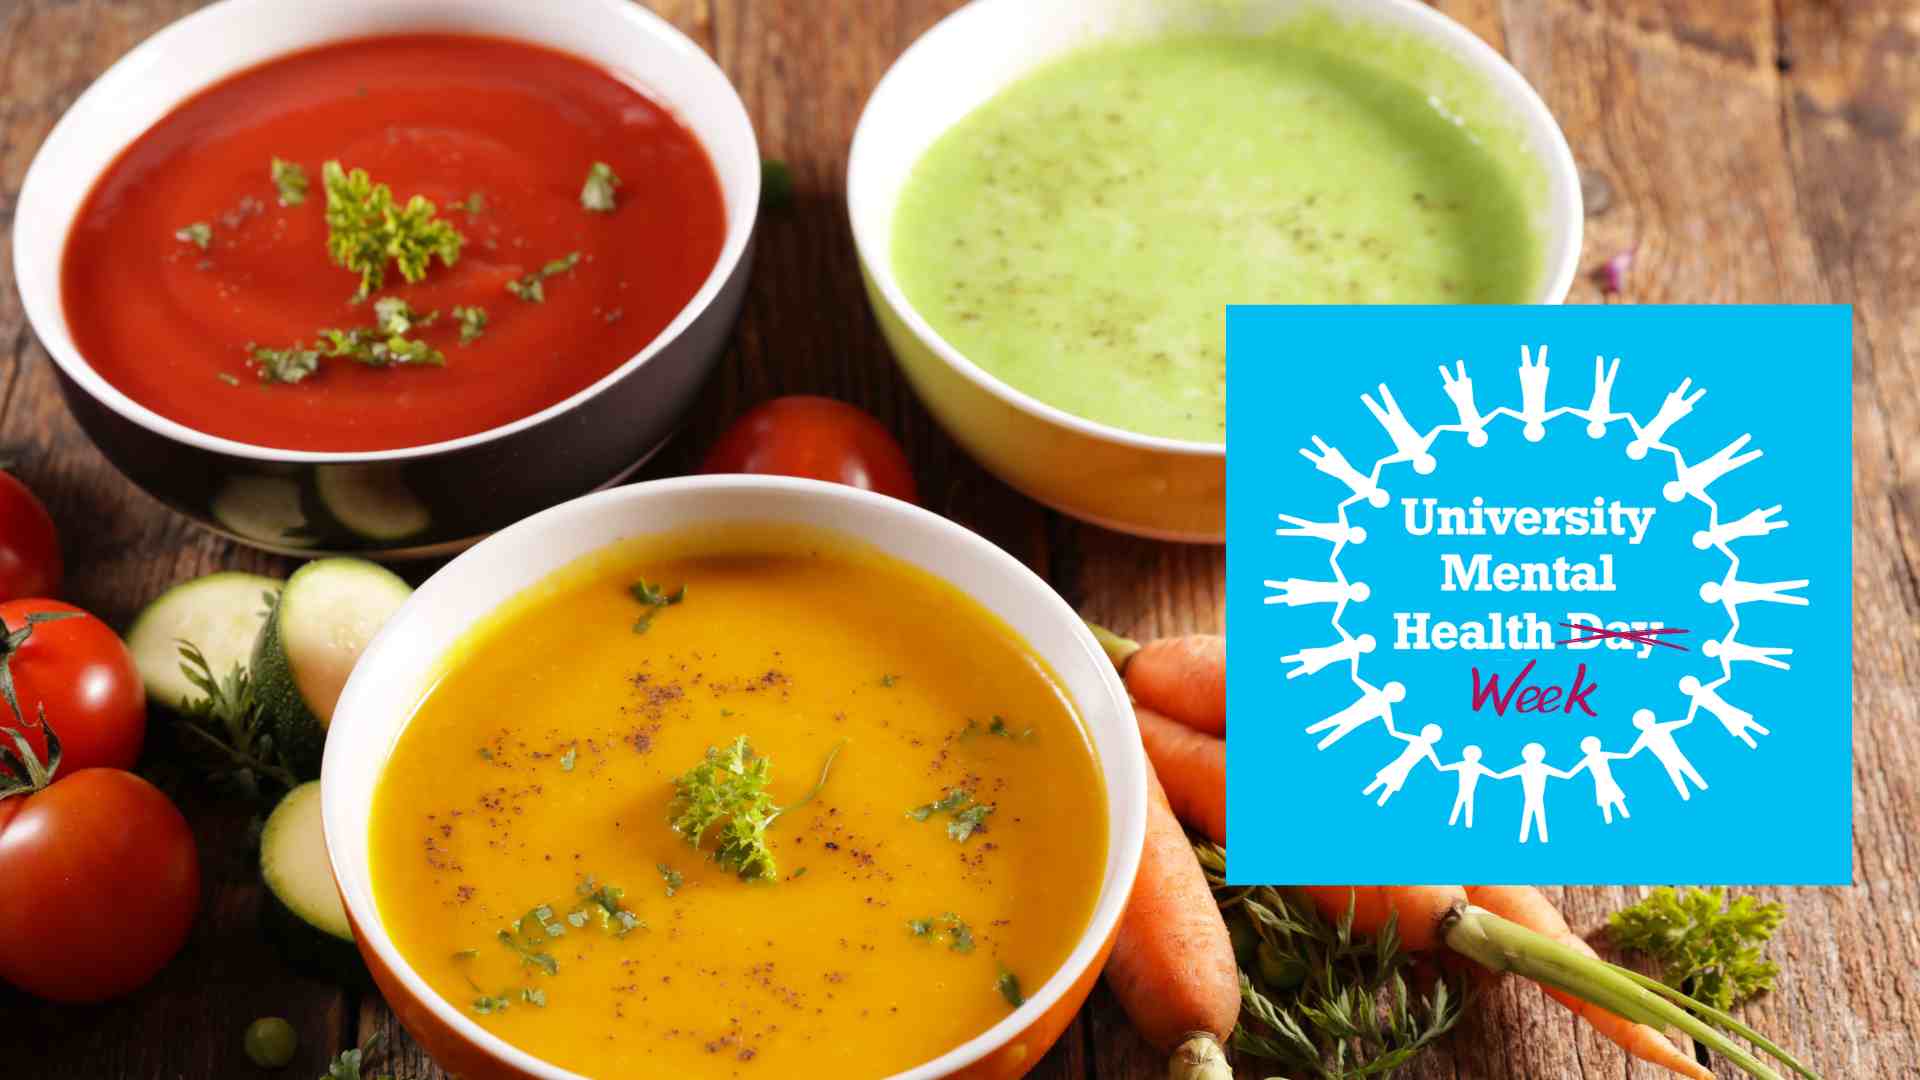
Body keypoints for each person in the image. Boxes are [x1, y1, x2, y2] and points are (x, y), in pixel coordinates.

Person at [1491, 742, 1573, 844]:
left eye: (1535, 754)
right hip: (1530, 800)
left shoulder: (1539, 767)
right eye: (1531, 754)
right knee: (1532, 819)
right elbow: (1500, 776)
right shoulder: (1528, 767)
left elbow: (1567, 775)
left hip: (1536, 800)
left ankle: (1536, 840)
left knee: (1534, 819)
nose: (1533, 756)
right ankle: (1534, 840)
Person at [1628, 709, 1708, 800]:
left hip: (1676, 757)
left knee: (1685, 775)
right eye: (1644, 720)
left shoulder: (1650, 733)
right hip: (1671, 760)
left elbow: (1630, 754)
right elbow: (1630, 754)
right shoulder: (1647, 735)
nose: (1647, 721)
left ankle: (1693, 792)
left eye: (1647, 719)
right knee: (1681, 777)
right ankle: (1690, 794)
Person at [1362, 723, 1443, 807]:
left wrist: (1388, 722)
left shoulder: (1417, 740)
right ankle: (1376, 801)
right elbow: (1439, 766)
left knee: (1384, 782)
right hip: (1401, 768)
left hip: (1400, 767)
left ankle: (1370, 797)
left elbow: (1394, 732)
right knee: (1388, 785)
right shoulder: (1427, 747)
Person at [1570, 735, 1631, 824]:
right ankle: (1615, 819)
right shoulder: (1599, 756)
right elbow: (1625, 755)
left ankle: (1615, 819)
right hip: (1602, 783)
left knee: (1613, 801)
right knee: (1611, 802)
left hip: (1607, 782)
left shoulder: (1596, 756)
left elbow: (1625, 755)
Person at [1437, 745, 1495, 827]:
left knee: (1466, 807)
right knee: (1461, 807)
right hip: (1463, 792)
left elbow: (1495, 775)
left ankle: (1464, 824)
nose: (1472, 756)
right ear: (1465, 754)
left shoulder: (1477, 767)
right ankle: (1457, 823)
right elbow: (1442, 768)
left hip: (1469, 792)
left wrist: (1501, 776)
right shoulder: (1464, 765)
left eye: (1474, 755)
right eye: (1470, 754)